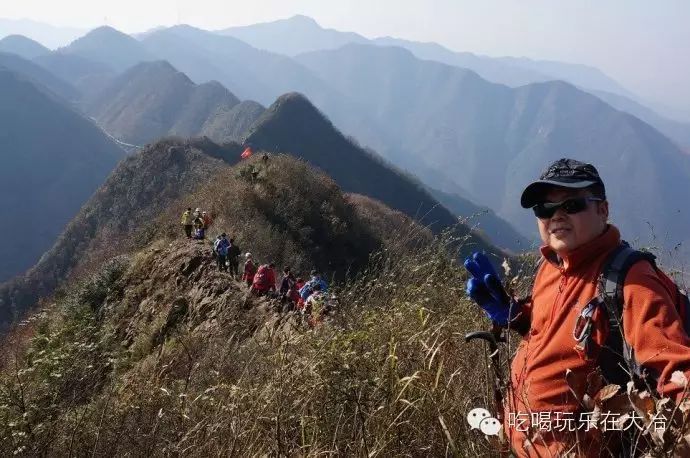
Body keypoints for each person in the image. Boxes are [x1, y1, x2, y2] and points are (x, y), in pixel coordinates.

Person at [464, 158, 690, 457]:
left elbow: (677, 375)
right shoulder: (552, 267)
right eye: (544, 208)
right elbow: (562, 331)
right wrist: (518, 317)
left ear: (603, 209)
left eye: (571, 205)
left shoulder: (632, 280)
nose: (556, 216)